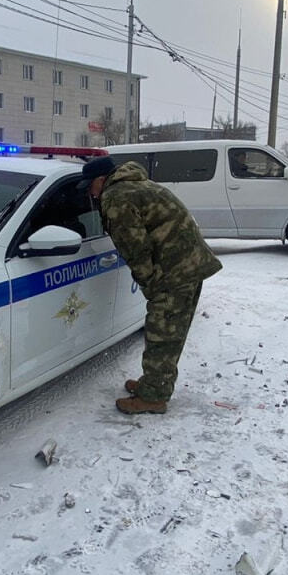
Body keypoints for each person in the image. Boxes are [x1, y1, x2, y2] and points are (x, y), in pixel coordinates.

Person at [82, 155, 222, 415]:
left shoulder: (116, 197)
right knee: (170, 332)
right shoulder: (137, 184)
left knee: (163, 335)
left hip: (175, 272)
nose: (90, 192)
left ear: (101, 180)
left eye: (90, 186)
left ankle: (154, 397)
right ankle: (152, 385)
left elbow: (135, 247)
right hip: (189, 264)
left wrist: (150, 282)